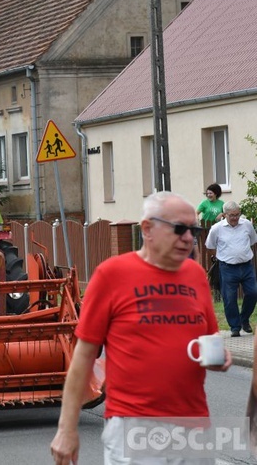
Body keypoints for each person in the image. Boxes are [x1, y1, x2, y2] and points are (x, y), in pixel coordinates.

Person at [50, 191, 231, 464]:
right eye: (179, 229)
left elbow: (209, 335)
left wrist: (219, 355)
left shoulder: (195, 276)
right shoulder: (112, 275)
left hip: (194, 426)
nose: (188, 238)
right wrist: (66, 428)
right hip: (135, 426)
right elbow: (83, 357)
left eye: (193, 230)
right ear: (147, 228)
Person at [205, 201, 257, 337]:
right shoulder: (217, 228)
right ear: (225, 214)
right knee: (229, 298)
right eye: (232, 215)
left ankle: (244, 319)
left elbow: (252, 241)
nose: (235, 217)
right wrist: (219, 258)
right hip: (227, 268)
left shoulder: (247, 224)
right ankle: (235, 326)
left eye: (237, 214)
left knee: (253, 292)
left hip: (246, 266)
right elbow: (210, 246)